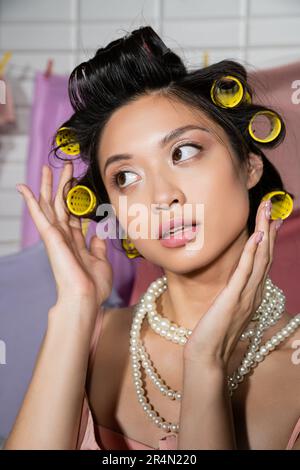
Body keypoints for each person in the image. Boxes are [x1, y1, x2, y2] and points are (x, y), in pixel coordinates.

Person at [4, 26, 300, 450]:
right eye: (126, 177)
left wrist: (205, 364)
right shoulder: (87, 333)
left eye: (183, 152)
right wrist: (74, 304)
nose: (161, 197)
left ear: (249, 166)